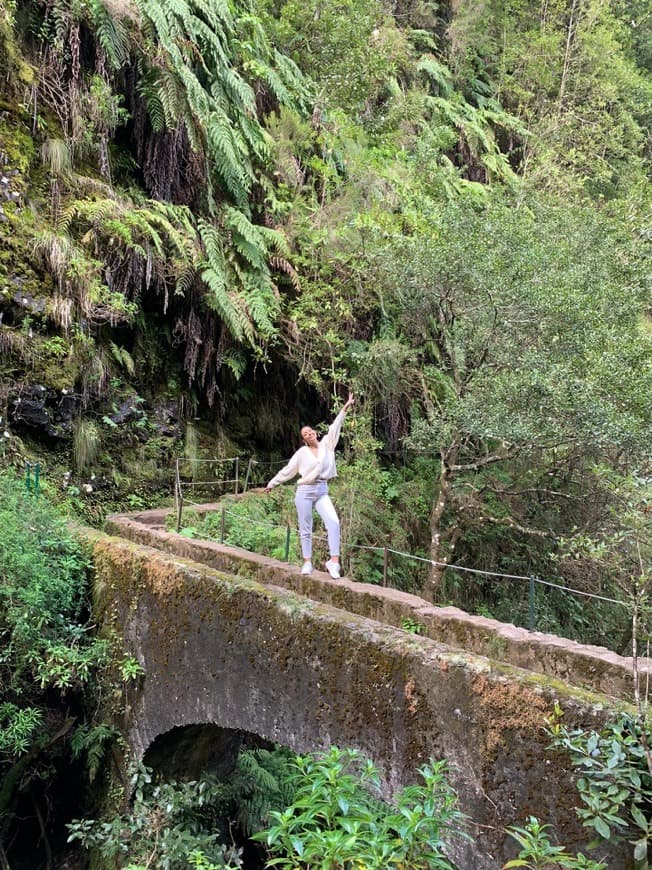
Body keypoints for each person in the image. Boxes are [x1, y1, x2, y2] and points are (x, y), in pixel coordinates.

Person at [264, 393, 355, 578]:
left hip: (322, 490)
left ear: (315, 433)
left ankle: (334, 562)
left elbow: (335, 427)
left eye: (310, 431)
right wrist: (272, 483)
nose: (309, 434)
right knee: (306, 527)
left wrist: (345, 408)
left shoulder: (327, 446)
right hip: (304, 491)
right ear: (304, 439)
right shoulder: (302, 453)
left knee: (334, 522)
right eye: (305, 434)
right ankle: (307, 561)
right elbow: (288, 470)